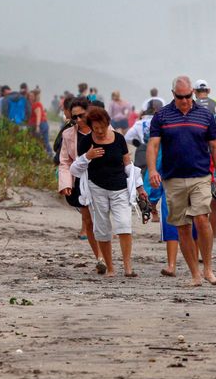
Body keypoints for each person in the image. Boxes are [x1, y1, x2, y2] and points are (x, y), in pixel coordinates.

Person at [147, 75, 216, 286]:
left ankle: (208, 268)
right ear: (173, 94)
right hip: (173, 178)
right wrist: (153, 169)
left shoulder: (205, 115)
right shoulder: (162, 116)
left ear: (192, 93)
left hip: (200, 175)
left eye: (188, 96)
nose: (184, 100)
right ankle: (195, 275)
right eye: (180, 97)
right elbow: (153, 145)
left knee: (202, 219)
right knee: (182, 227)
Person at [71, 107, 147, 277]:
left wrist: (139, 186)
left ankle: (127, 267)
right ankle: (111, 268)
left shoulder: (119, 139)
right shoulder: (86, 142)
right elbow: (75, 169)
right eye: (95, 128)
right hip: (96, 189)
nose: (98, 131)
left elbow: (128, 165)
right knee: (102, 228)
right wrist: (87, 156)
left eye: (102, 127)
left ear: (108, 123)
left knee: (124, 225)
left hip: (120, 188)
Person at [58, 98, 104, 272]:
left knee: (102, 221)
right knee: (88, 220)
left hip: (103, 180)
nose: (78, 120)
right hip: (81, 182)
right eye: (74, 117)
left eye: (81, 116)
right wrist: (65, 183)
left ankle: (107, 255)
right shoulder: (68, 134)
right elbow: (64, 161)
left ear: (89, 112)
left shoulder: (103, 128)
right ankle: (100, 258)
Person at [125, 98, 162, 222]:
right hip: (157, 151)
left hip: (142, 150)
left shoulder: (139, 123)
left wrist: (137, 143)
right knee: (155, 180)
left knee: (142, 181)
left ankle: (145, 208)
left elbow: (127, 137)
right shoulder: (161, 120)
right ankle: (154, 211)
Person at [28, 87, 52, 156]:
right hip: (44, 124)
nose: (30, 97)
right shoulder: (37, 104)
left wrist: (37, 126)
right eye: (29, 96)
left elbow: (38, 115)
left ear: (35, 97)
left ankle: (39, 154)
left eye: (32, 96)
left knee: (38, 141)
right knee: (45, 141)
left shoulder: (36, 105)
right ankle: (49, 154)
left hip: (40, 125)